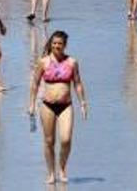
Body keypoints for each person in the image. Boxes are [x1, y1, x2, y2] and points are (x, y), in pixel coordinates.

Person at [27, 31, 88, 185]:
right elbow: (34, 83)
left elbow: (78, 84)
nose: (56, 46)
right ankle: (51, 173)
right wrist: (31, 104)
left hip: (66, 106)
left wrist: (83, 103)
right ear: (51, 44)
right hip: (47, 105)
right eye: (54, 43)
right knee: (49, 141)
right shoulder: (43, 62)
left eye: (59, 43)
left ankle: (62, 168)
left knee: (66, 139)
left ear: (64, 45)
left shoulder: (72, 62)